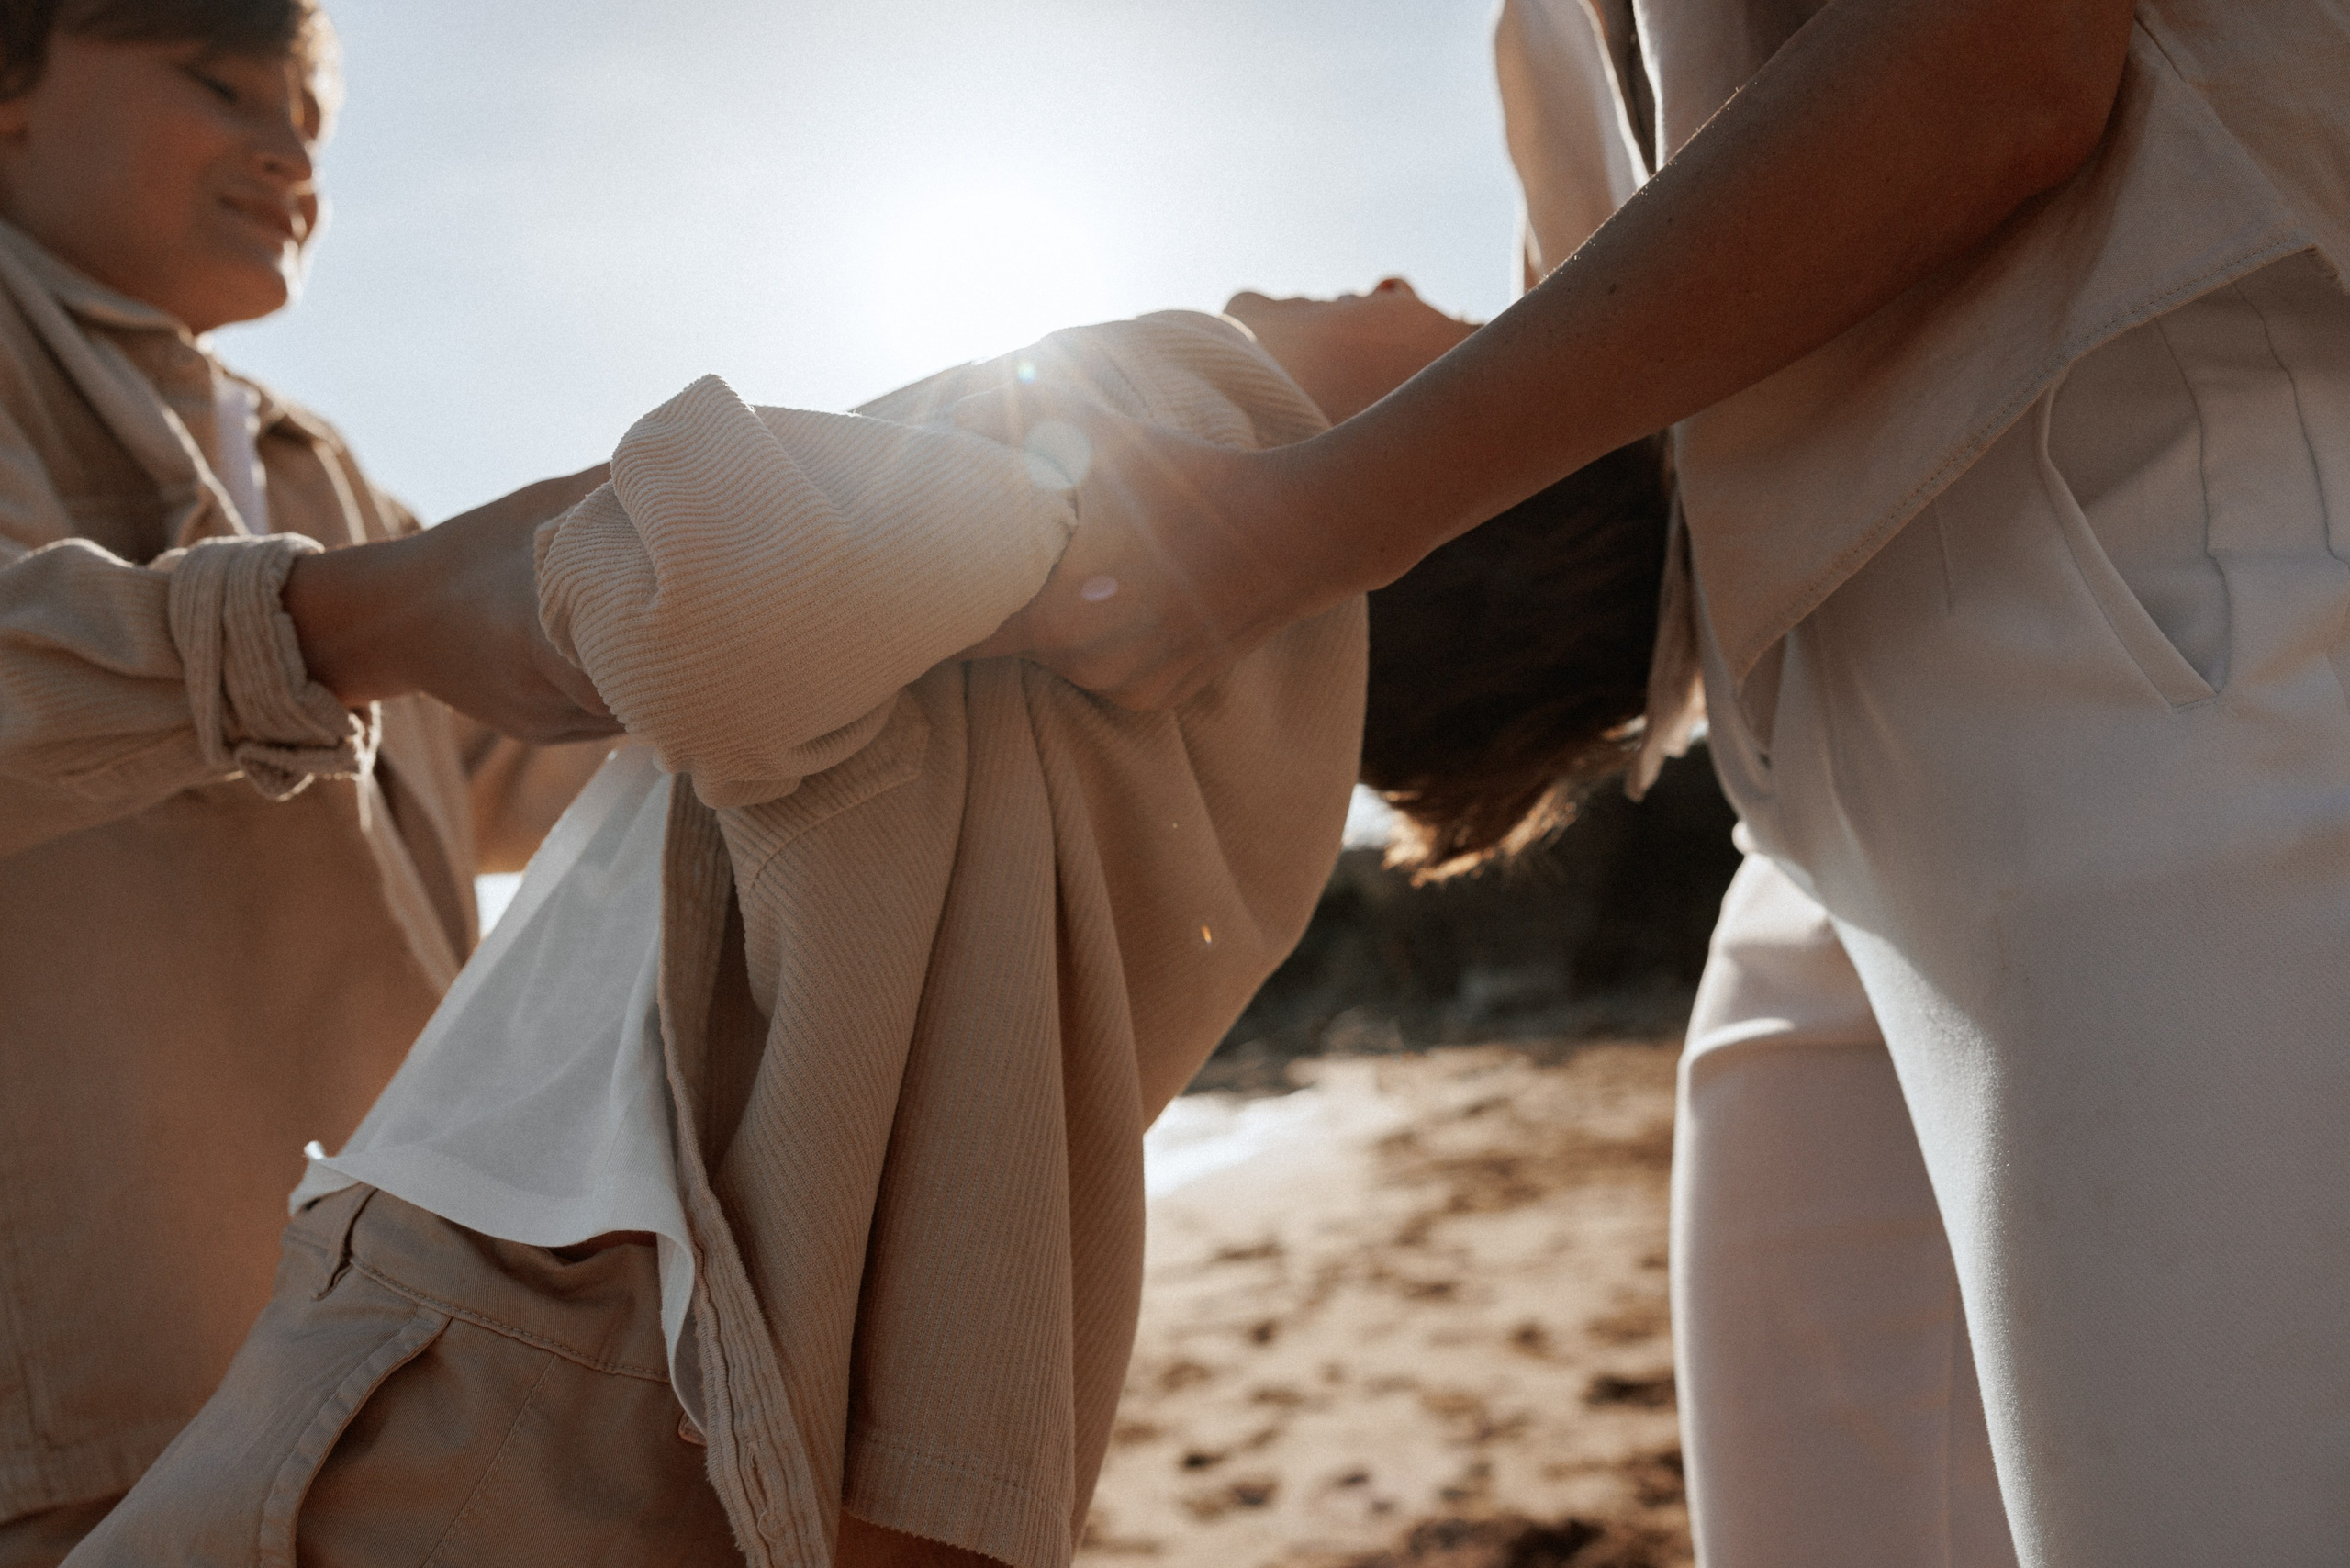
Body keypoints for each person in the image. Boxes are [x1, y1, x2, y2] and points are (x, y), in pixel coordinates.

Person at [961, 2, 2350, 1564]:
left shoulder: (1337, 514)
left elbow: (2001, 63)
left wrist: (1312, 520)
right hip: (1811, 750)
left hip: (2129, 529)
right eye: (1219, 358)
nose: (1240, 293)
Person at [66, 286, 1671, 1568]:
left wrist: (513, 575)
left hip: (514, 1319)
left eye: (1472, 337)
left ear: (1452, 503)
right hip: (692, 1367)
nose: (1400, 282)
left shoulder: (1194, 418)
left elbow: (712, 617)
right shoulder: (1273, 744)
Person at [0, 3, 615, 1559]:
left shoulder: (320, 468)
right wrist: (367, 615)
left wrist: (777, 643)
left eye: (313, 124)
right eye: (217, 86)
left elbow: (506, 766)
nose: (288, 153)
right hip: (81, 1429)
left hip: (375, 1378)